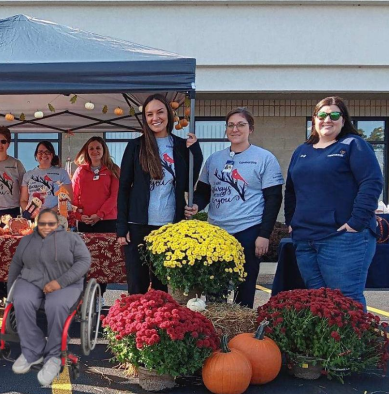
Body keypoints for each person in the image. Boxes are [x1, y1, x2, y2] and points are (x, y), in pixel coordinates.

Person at [284, 96, 383, 308]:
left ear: (344, 119)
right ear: (314, 119)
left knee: (346, 302)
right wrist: (291, 221)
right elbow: (291, 189)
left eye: (334, 115)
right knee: (320, 302)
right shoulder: (302, 151)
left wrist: (356, 222)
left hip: (342, 239)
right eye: (322, 114)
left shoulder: (354, 145)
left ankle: (354, 343)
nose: (327, 119)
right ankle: (329, 342)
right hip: (305, 238)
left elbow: (371, 182)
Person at [185, 108, 283, 307]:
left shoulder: (264, 158)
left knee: (245, 284)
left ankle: (242, 328)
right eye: (230, 125)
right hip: (218, 231)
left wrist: (264, 234)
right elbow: (204, 191)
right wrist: (196, 205)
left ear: (251, 129)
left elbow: (273, 199)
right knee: (214, 284)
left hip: (248, 229)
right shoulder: (214, 159)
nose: (235, 129)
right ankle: (217, 326)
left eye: (241, 125)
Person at [117, 94, 203, 295]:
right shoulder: (135, 147)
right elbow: (123, 188)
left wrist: (196, 151)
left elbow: (189, 182)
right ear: (145, 119)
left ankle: (158, 325)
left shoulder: (181, 146)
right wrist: (121, 227)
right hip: (138, 225)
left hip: (168, 227)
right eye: (149, 114)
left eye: (160, 112)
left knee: (161, 284)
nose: (155, 118)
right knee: (137, 284)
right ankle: (136, 325)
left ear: (169, 114)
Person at [7, 208, 91, 386]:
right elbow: (16, 264)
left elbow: (84, 262)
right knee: (22, 300)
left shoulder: (73, 240)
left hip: (66, 282)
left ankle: (54, 356)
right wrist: (10, 292)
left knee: (56, 304)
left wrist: (60, 282)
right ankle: (32, 350)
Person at [72, 136, 119, 234]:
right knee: (84, 249)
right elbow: (74, 196)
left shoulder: (113, 169)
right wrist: (78, 216)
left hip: (107, 220)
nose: (94, 151)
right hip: (85, 221)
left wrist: (100, 214)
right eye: (91, 148)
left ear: (104, 150)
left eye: (98, 148)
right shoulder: (80, 171)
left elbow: (115, 196)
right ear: (87, 151)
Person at [20, 141, 73, 219]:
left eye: (47, 152)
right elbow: (23, 200)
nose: (44, 155)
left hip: (55, 219)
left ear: (52, 155)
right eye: (40, 152)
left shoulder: (62, 173)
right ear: (36, 155)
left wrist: (49, 213)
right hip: (34, 219)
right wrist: (31, 212)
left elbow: (69, 199)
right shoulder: (28, 175)